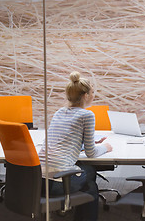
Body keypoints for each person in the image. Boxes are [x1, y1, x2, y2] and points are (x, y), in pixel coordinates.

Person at [39, 71, 113, 221]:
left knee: (86, 173)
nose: (93, 95)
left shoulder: (59, 112)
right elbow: (91, 153)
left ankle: (68, 208)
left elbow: (64, 141)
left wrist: (85, 143)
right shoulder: (87, 115)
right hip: (56, 181)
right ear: (85, 96)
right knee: (91, 180)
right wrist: (106, 147)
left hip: (36, 179)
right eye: (92, 92)